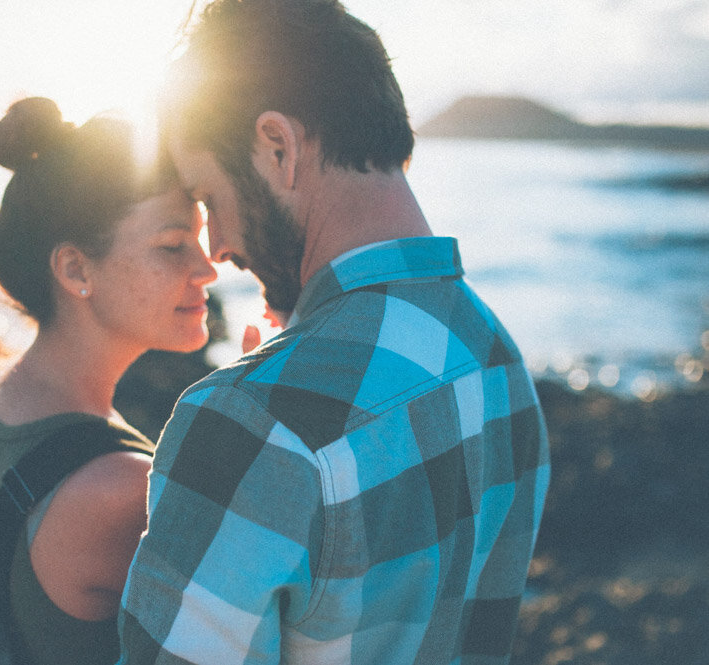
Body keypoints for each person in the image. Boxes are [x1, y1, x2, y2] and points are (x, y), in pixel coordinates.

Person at [117, 1, 551, 663]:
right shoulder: (495, 359)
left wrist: (257, 394)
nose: (219, 245)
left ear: (277, 147)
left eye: (209, 198)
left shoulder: (249, 422)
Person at [0, 97, 216, 665]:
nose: (207, 267)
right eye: (173, 246)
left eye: (200, 236)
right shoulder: (123, 492)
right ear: (75, 269)